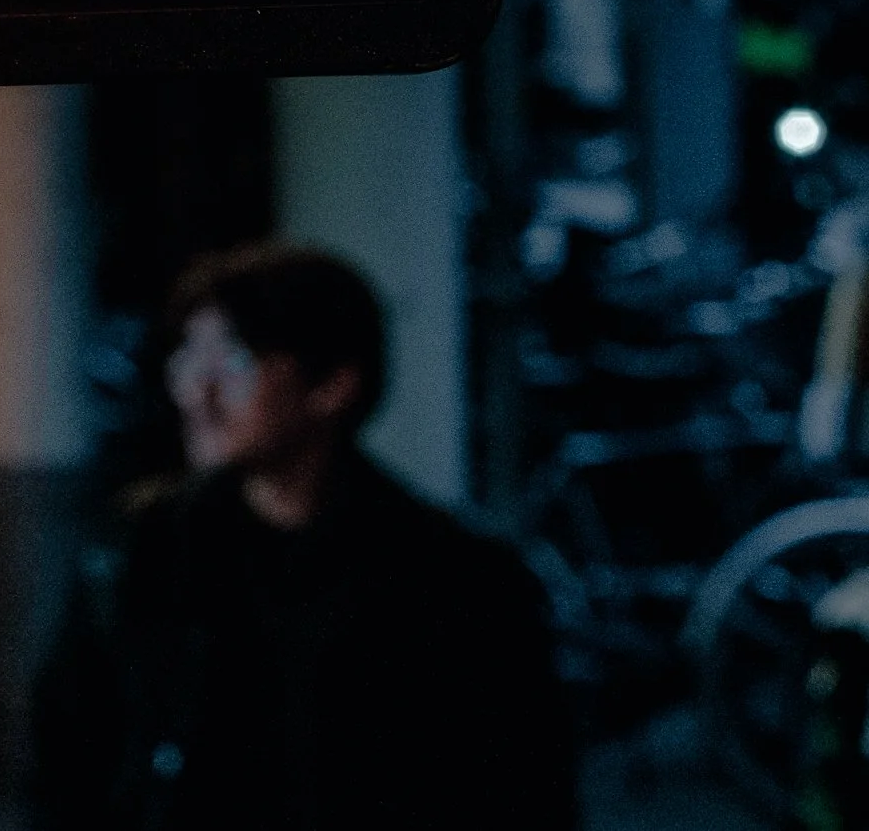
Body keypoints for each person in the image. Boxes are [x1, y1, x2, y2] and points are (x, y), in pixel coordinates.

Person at [33, 240, 578, 831]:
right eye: (189, 357)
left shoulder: (458, 582)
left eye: (235, 362)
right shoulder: (144, 547)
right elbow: (66, 758)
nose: (198, 391)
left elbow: (523, 796)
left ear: (333, 386)